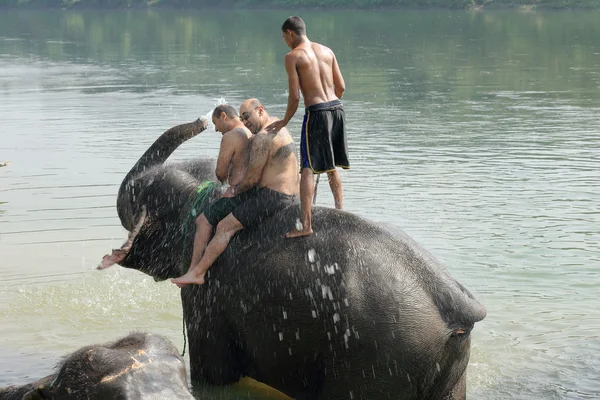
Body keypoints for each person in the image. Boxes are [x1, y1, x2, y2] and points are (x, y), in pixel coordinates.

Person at [171, 99, 299, 287]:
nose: (245, 121)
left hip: (274, 196)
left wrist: (234, 190)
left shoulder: (262, 138)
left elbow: (251, 179)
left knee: (224, 226)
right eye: (242, 118)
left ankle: (197, 272)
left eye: (247, 116)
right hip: (292, 193)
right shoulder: (277, 123)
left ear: (260, 110)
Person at [266, 16, 349, 239]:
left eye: (284, 36)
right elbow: (341, 86)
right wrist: (330, 103)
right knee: (331, 165)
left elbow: (294, 96)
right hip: (337, 109)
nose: (284, 40)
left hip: (317, 113)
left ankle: (306, 225)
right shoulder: (327, 51)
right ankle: (340, 210)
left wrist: (284, 121)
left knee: (307, 168)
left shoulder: (293, 57)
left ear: (290, 33)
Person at [185, 104, 252, 277]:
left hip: (237, 194)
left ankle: (194, 269)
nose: (215, 129)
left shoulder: (230, 136)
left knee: (202, 221)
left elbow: (220, 172)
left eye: (215, 123)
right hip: (253, 192)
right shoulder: (250, 131)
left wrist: (223, 181)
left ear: (224, 116)